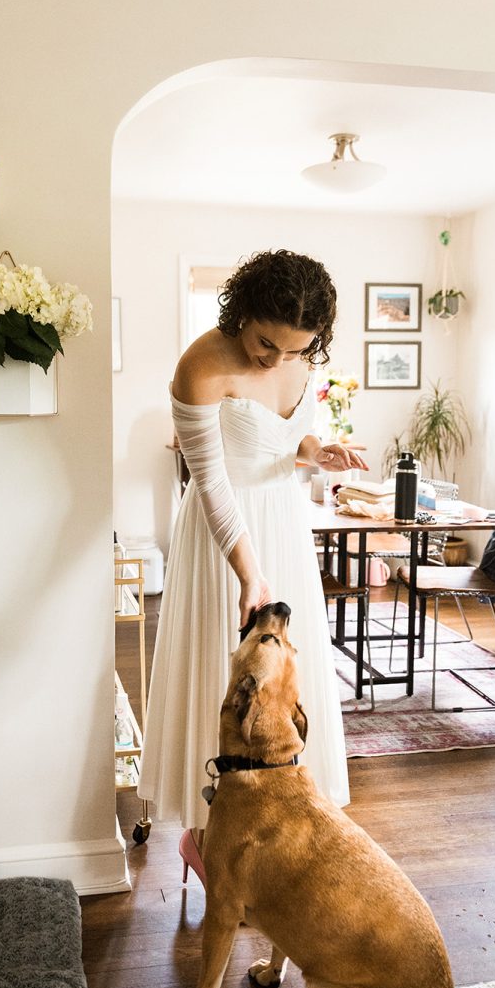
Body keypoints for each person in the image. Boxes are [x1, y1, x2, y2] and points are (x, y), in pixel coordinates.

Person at [137, 249, 368, 883]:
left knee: (283, 686)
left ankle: (269, 829)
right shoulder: (201, 364)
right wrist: (248, 573)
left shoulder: (298, 359)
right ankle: (205, 838)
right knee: (223, 678)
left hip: (285, 526)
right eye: (267, 344)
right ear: (241, 312)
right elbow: (209, 482)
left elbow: (289, 441)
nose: (277, 361)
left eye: (296, 351)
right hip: (223, 538)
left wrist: (322, 451)